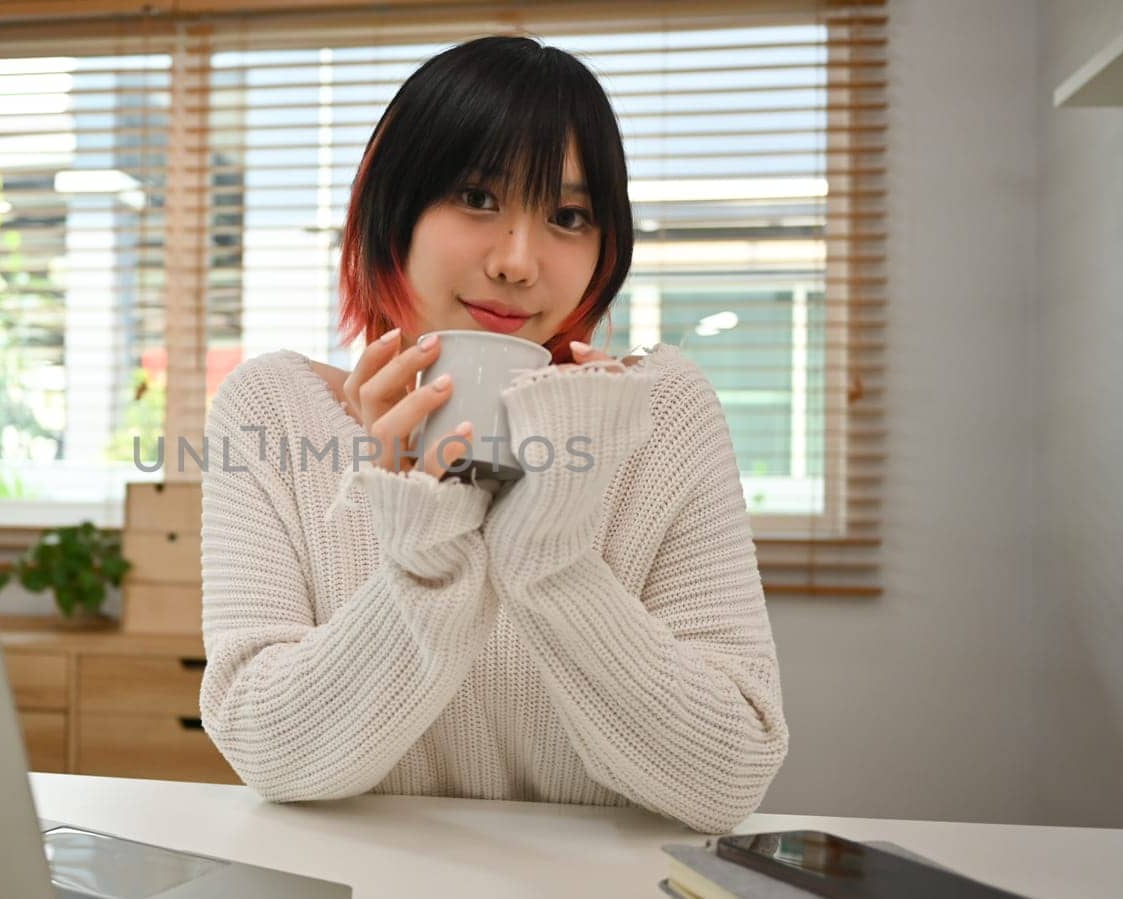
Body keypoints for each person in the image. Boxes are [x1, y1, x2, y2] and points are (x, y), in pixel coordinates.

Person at [197, 35, 787, 834]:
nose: (517, 261)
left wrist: (550, 547)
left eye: (568, 216)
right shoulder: (273, 414)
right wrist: (425, 529)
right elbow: (271, 751)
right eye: (478, 198)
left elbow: (731, 770)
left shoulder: (664, 413)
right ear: (393, 212)